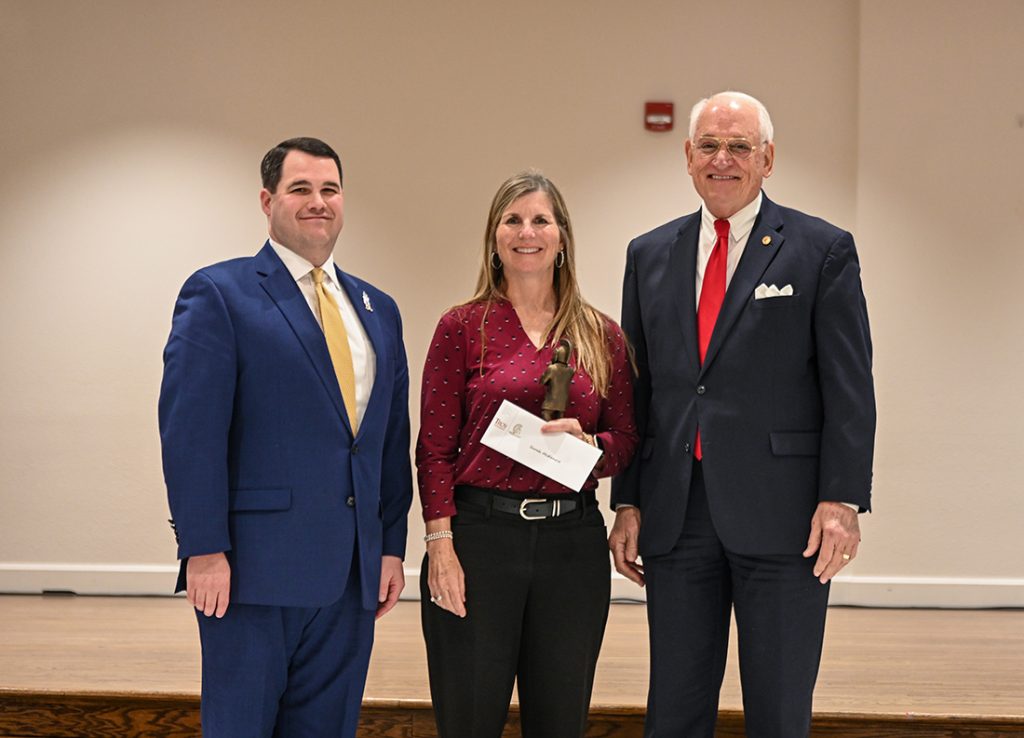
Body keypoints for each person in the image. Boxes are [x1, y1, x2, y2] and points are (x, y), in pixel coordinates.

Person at [610, 92, 875, 737]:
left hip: (787, 520)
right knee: (674, 708)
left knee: (779, 710)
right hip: (677, 515)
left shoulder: (821, 250)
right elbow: (637, 391)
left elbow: (849, 388)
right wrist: (628, 501)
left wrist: (841, 498)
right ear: (688, 156)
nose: (722, 160)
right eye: (709, 146)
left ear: (768, 159)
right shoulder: (649, 254)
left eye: (739, 147)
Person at [159, 137, 412, 738]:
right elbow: (190, 432)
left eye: (330, 189)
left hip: (351, 577)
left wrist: (391, 544)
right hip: (252, 573)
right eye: (301, 189)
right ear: (268, 200)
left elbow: (388, 439)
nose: (317, 202)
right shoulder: (220, 293)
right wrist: (202, 547)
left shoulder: (378, 309)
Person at [416, 171, 639, 738]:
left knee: (560, 721)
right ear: (494, 237)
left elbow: (629, 440)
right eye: (512, 220)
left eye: (541, 220)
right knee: (469, 718)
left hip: (572, 548)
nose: (526, 232)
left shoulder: (599, 334)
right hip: (480, 543)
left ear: (562, 237)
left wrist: (591, 448)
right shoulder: (462, 328)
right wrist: (440, 544)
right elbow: (434, 450)